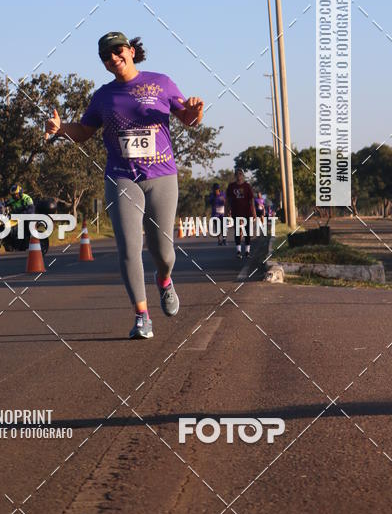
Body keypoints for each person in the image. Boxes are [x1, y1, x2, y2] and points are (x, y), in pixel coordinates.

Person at [44, 31, 204, 339]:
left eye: (118, 50)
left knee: (163, 252)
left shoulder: (161, 83)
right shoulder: (104, 96)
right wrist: (61, 128)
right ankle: (142, 316)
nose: (113, 57)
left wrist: (195, 112)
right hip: (121, 176)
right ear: (104, 64)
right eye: (106, 56)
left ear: (131, 51)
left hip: (162, 175)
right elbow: (84, 132)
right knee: (129, 248)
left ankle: (164, 280)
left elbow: (187, 117)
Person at [225, 168, 256, 259]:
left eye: (240, 174)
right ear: (235, 176)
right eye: (237, 174)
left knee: (247, 232)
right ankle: (238, 251)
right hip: (236, 212)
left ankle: (247, 251)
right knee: (237, 232)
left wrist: (254, 212)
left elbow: (251, 200)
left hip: (247, 212)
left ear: (243, 175)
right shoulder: (231, 186)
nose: (239, 176)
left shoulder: (247, 186)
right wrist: (226, 212)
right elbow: (227, 200)